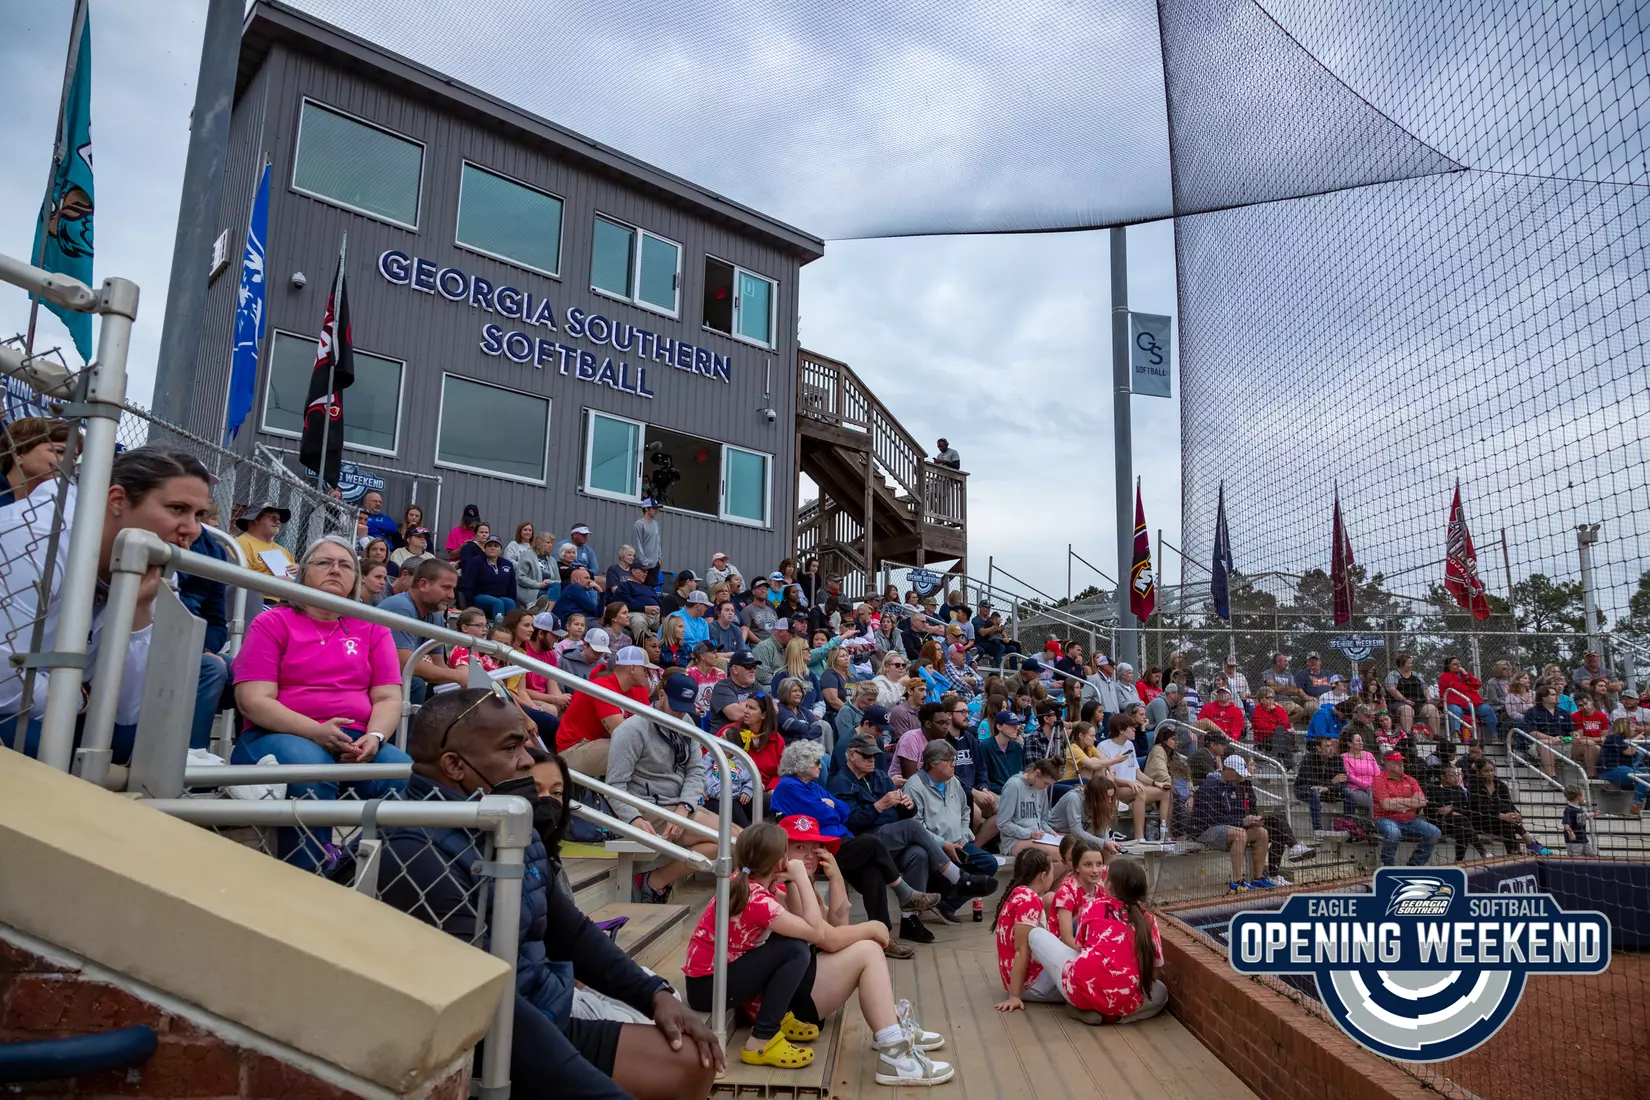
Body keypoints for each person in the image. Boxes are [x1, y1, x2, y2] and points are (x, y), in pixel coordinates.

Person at [378, 689, 721, 1100]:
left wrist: (654, 994)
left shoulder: (506, 817)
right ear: (454, 764)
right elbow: (484, 1006)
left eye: (526, 743)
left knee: (691, 1061)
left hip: (543, 1006)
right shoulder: (415, 849)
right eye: (511, 748)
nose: (527, 760)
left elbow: (569, 930)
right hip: (484, 1039)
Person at [0, 446, 228, 762]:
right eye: (177, 508)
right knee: (35, 739)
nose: (193, 529)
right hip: (20, 710)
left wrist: (137, 612)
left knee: (135, 740)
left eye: (198, 515)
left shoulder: (153, 559)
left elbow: (130, 710)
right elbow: (5, 686)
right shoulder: (32, 538)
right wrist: (80, 700)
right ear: (117, 500)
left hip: (60, 699)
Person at [683, 820, 952, 1084]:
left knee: (838, 949)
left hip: (729, 983)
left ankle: (890, 1031)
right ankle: (892, 1049)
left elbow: (834, 927)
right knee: (816, 949)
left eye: (815, 848)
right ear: (779, 859)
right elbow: (821, 935)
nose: (809, 855)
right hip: (714, 987)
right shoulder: (762, 896)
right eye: (798, 848)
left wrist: (834, 878)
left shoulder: (761, 886)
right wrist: (871, 926)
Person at [230, 535, 412, 870]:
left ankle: (348, 867)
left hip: (355, 740)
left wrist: (374, 738)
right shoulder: (272, 622)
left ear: (355, 580)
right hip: (277, 735)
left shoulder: (373, 627)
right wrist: (315, 731)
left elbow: (388, 697)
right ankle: (309, 873)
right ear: (303, 573)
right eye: (324, 562)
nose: (336, 570)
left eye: (346, 565)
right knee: (311, 767)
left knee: (403, 772)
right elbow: (253, 700)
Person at [767, 739, 942, 957]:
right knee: (871, 842)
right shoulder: (788, 786)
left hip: (838, 842)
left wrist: (831, 806)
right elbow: (825, 814)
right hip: (819, 849)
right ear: (801, 764)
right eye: (816, 762)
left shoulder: (812, 786)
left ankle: (883, 938)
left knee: (873, 874)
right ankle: (905, 893)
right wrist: (830, 807)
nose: (820, 766)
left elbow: (843, 811)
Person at [826, 732, 997, 944]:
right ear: (851, 755)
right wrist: (879, 806)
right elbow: (850, 822)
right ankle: (957, 878)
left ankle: (910, 920)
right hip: (866, 841)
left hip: (892, 837)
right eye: (866, 756)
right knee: (913, 826)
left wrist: (908, 806)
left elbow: (903, 813)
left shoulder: (880, 777)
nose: (872, 760)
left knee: (918, 854)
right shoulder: (839, 783)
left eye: (875, 756)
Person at [608, 672, 726, 903]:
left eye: (685, 709)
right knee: (730, 840)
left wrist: (684, 807)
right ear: (661, 695)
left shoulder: (686, 721)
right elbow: (614, 785)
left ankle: (655, 881)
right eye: (676, 708)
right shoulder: (631, 730)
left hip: (679, 806)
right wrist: (633, 818)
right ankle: (654, 882)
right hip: (648, 808)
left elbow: (696, 770)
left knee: (734, 839)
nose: (680, 714)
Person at [905, 739, 998, 920]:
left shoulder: (953, 781)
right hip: (933, 847)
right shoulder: (914, 787)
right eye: (948, 761)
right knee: (942, 868)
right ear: (933, 762)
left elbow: (965, 811)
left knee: (989, 864)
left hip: (958, 843)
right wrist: (943, 843)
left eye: (954, 760)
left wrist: (963, 835)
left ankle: (948, 904)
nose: (953, 765)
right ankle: (937, 899)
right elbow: (916, 826)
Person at [556, 645, 656, 776]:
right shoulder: (603, 687)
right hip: (573, 749)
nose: (648, 675)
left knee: (646, 748)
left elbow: (649, 725)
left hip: (598, 743)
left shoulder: (637, 689)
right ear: (632, 668)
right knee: (634, 750)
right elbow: (622, 734)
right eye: (645, 670)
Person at [1190, 755, 1270, 893]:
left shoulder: (1235, 786)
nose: (1240, 778)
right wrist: (1241, 822)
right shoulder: (1209, 786)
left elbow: (1238, 813)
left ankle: (1258, 878)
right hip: (1204, 830)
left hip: (1228, 828)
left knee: (1261, 833)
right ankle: (1237, 882)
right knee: (1240, 834)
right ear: (1229, 770)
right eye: (1238, 774)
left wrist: (1250, 820)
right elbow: (1211, 819)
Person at [994, 847, 1061, 1009]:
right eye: (1052, 871)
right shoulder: (1029, 901)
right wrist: (1015, 996)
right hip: (1032, 984)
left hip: (1024, 981)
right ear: (1043, 876)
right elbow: (1020, 949)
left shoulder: (1018, 893)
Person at [1095, 713, 1173, 841]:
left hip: (1133, 787)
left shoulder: (1129, 745)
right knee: (1139, 791)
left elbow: (1137, 773)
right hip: (1115, 789)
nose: (1134, 729)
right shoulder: (1103, 746)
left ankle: (1165, 835)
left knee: (1166, 792)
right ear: (1121, 730)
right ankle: (1139, 838)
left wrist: (1156, 783)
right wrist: (1128, 783)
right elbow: (1106, 777)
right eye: (1131, 727)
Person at [1370, 752, 1439, 866]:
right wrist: (1411, 801)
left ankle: (1415, 864)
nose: (1401, 765)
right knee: (1393, 833)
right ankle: (1388, 865)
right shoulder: (1379, 780)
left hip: (1409, 819)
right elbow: (1386, 805)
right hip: (1385, 818)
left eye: (1401, 762)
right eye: (1396, 763)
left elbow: (1422, 802)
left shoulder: (1410, 779)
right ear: (1386, 763)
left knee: (1434, 832)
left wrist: (1397, 802)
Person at [996, 757, 1065, 869]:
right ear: (1037, 773)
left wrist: (1049, 831)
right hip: (1014, 841)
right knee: (1059, 855)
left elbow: (1042, 819)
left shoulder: (1042, 789)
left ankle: (1048, 881)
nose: (1046, 787)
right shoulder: (1014, 785)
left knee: (1068, 852)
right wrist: (1029, 834)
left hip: (1036, 837)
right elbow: (1002, 823)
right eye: (1046, 783)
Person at [1468, 759, 1545, 855]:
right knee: (1505, 821)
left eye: (1491, 770)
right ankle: (1529, 842)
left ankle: (1514, 852)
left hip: (1500, 821)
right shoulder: (1474, 787)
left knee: (1507, 823)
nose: (1490, 773)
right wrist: (1502, 815)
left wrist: (1516, 814)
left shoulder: (1501, 785)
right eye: (1486, 771)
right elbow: (1481, 807)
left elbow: (1509, 803)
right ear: (1479, 772)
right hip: (1481, 821)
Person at [0, 417, 72, 509]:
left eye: (74, 457)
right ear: (18, 454)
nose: (71, 461)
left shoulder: (63, 503)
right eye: (59, 451)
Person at [235, 500, 296, 603]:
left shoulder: (284, 552)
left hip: (286, 602)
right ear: (255, 519)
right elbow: (238, 580)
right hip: (256, 600)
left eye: (279, 519)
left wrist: (300, 574)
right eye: (273, 518)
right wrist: (274, 582)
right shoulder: (240, 544)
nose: (278, 522)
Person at [1426, 761, 1484, 861]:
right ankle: (1482, 852)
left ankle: (1458, 861)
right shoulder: (1433, 789)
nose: (1456, 777)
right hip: (1439, 823)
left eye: (1457, 775)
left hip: (1457, 823)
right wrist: (1453, 811)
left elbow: (1466, 809)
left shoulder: (1459, 789)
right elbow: (1434, 810)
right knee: (1463, 821)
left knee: (1461, 830)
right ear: (1443, 776)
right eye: (1452, 775)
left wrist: (1451, 809)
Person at [458, 534, 517, 620]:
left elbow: (512, 587)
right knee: (498, 603)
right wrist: (470, 604)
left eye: (496, 546)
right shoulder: (476, 562)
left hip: (500, 596)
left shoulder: (507, 564)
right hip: (481, 595)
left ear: (500, 550)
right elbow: (467, 583)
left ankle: (512, 627)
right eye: (489, 545)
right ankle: (498, 627)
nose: (492, 548)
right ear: (484, 549)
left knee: (510, 602)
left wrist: (512, 598)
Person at [1293, 734, 1346, 832]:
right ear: (1318, 748)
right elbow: (1311, 782)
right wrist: (1331, 782)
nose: (1330, 749)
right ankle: (1318, 830)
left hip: (1327, 791)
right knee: (1315, 792)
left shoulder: (1337, 759)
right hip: (1304, 789)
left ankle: (1349, 826)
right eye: (1327, 746)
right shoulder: (1309, 758)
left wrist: (1328, 788)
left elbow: (1343, 782)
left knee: (1348, 792)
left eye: (1331, 745)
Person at [1439, 656, 1498, 742]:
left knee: (1487, 710)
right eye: (1455, 664)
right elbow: (1456, 687)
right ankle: (1455, 735)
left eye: (1459, 664)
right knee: (1455, 710)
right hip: (1455, 703)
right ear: (1448, 666)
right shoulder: (1444, 676)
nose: (1458, 666)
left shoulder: (1465, 676)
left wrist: (1466, 675)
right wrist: (1466, 683)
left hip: (1472, 704)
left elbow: (1478, 685)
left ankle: (1493, 736)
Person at [1597, 717, 1648, 816]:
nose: (1634, 729)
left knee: (1646, 776)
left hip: (1624, 769)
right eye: (1632, 726)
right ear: (1624, 727)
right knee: (1642, 778)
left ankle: (1641, 805)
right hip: (1610, 771)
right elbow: (1629, 751)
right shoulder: (1614, 737)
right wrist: (1636, 740)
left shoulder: (1624, 740)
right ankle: (1636, 805)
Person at [1521, 685, 1574, 776]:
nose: (1556, 697)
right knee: (1547, 744)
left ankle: (1592, 777)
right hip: (1539, 745)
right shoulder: (1532, 712)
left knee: (1589, 744)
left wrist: (1575, 735)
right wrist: (1552, 739)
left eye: (1556, 694)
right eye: (1553, 695)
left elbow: (1572, 730)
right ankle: (1552, 777)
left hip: (1564, 743)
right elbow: (1532, 732)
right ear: (1544, 698)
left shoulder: (1563, 712)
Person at [707, 650, 763, 726]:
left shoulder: (756, 685)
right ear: (735, 669)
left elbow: (772, 706)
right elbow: (736, 715)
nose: (752, 670)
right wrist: (759, 709)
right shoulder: (722, 687)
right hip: (726, 732)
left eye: (754, 667)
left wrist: (743, 704)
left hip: (749, 731)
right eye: (748, 667)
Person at [506, 522, 552, 609]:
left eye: (530, 530)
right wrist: (526, 566)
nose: (527, 532)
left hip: (538, 579)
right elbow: (508, 562)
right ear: (520, 531)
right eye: (525, 530)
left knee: (553, 590)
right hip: (521, 580)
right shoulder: (513, 545)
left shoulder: (535, 548)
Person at [980, 710, 1027, 794]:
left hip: (1017, 791)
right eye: (1011, 725)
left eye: (1016, 724)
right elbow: (982, 776)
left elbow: (1021, 772)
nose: (1016, 728)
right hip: (995, 793)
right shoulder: (985, 747)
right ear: (999, 727)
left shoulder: (1017, 747)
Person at [1340, 730, 1379, 815]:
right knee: (1374, 801)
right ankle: (1374, 822)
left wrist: (1374, 785)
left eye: (1361, 740)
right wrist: (1367, 784)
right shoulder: (1344, 757)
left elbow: (1377, 773)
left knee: (1377, 797)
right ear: (1350, 744)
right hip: (1356, 789)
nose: (1361, 743)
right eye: (1358, 741)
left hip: (1374, 788)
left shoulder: (1369, 755)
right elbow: (1350, 776)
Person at [1251, 686, 1293, 763]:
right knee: (1281, 732)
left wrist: (1275, 711)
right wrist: (1277, 729)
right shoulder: (1257, 712)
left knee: (1283, 734)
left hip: (1281, 736)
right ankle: (1286, 763)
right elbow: (1263, 728)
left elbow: (1286, 724)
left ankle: (1280, 759)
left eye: (1272, 697)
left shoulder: (1279, 710)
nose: (1271, 700)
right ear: (1261, 700)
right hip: (1265, 739)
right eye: (1268, 698)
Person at [631, 499, 663, 584]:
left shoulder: (655, 524)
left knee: (651, 587)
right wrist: (644, 562)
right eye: (654, 508)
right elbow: (637, 544)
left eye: (657, 508)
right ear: (646, 509)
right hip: (643, 565)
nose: (656, 511)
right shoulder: (639, 524)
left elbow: (658, 542)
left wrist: (659, 559)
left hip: (655, 564)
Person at [1561, 784, 1593, 856]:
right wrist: (1571, 833)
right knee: (1576, 858)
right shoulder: (1569, 809)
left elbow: (1583, 815)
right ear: (1578, 797)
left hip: (1583, 838)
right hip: (1574, 841)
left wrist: (1594, 813)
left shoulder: (1579, 808)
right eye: (1584, 796)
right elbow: (1566, 824)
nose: (1584, 798)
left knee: (1591, 855)